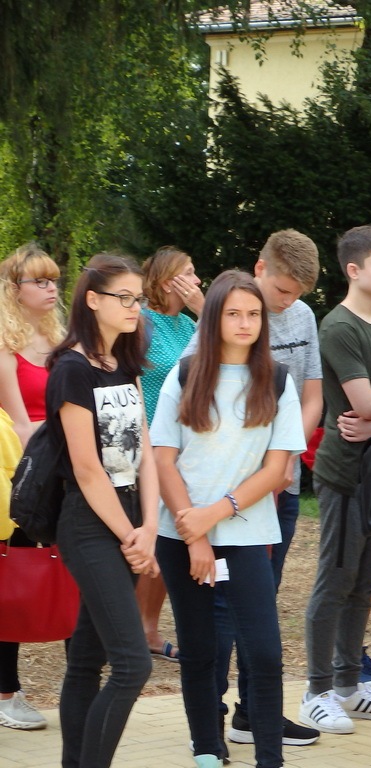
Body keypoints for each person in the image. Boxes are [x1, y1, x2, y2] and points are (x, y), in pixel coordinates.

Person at [152, 270, 305, 768]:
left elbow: (276, 470)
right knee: (199, 650)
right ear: (215, 318)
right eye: (234, 313)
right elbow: (163, 459)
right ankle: (207, 751)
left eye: (254, 314)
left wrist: (214, 516)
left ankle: (269, 759)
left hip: (246, 535)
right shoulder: (184, 375)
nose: (245, 323)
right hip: (180, 535)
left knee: (264, 653)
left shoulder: (277, 380)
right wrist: (194, 534)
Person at [194, 230, 322, 749]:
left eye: (297, 295)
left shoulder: (303, 318)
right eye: (283, 290)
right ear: (260, 269)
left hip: (279, 488)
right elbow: (199, 402)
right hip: (225, 494)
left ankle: (255, 713)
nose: (288, 303)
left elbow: (311, 396)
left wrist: (286, 454)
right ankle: (210, 720)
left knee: (261, 605)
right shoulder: (225, 318)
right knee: (221, 609)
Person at [48, 253, 158, 768]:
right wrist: (129, 535)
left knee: (87, 661)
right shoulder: (70, 370)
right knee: (133, 665)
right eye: (125, 298)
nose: (136, 307)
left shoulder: (123, 363)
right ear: (92, 300)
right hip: (90, 524)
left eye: (139, 298)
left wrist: (149, 526)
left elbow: (145, 450)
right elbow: (87, 470)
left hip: (131, 519)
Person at [301, 225, 371, 735]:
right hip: (346, 474)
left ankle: (347, 682)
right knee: (336, 580)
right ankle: (316, 691)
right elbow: (364, 400)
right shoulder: (338, 326)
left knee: (366, 582)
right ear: (354, 270)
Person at [0, 243, 63, 730]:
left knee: (72, 572)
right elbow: (20, 426)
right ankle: (5, 692)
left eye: (54, 280)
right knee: (14, 581)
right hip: (21, 476)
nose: (50, 288)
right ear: (14, 289)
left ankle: (82, 684)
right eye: (39, 281)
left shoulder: (60, 341)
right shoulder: (5, 346)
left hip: (62, 468)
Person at [136, 246, 203, 665]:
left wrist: (204, 312)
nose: (197, 280)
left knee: (168, 535)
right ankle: (135, 627)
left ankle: (146, 625)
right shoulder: (142, 323)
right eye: (189, 273)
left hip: (183, 444)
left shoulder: (191, 323)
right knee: (155, 535)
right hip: (147, 444)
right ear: (166, 281)